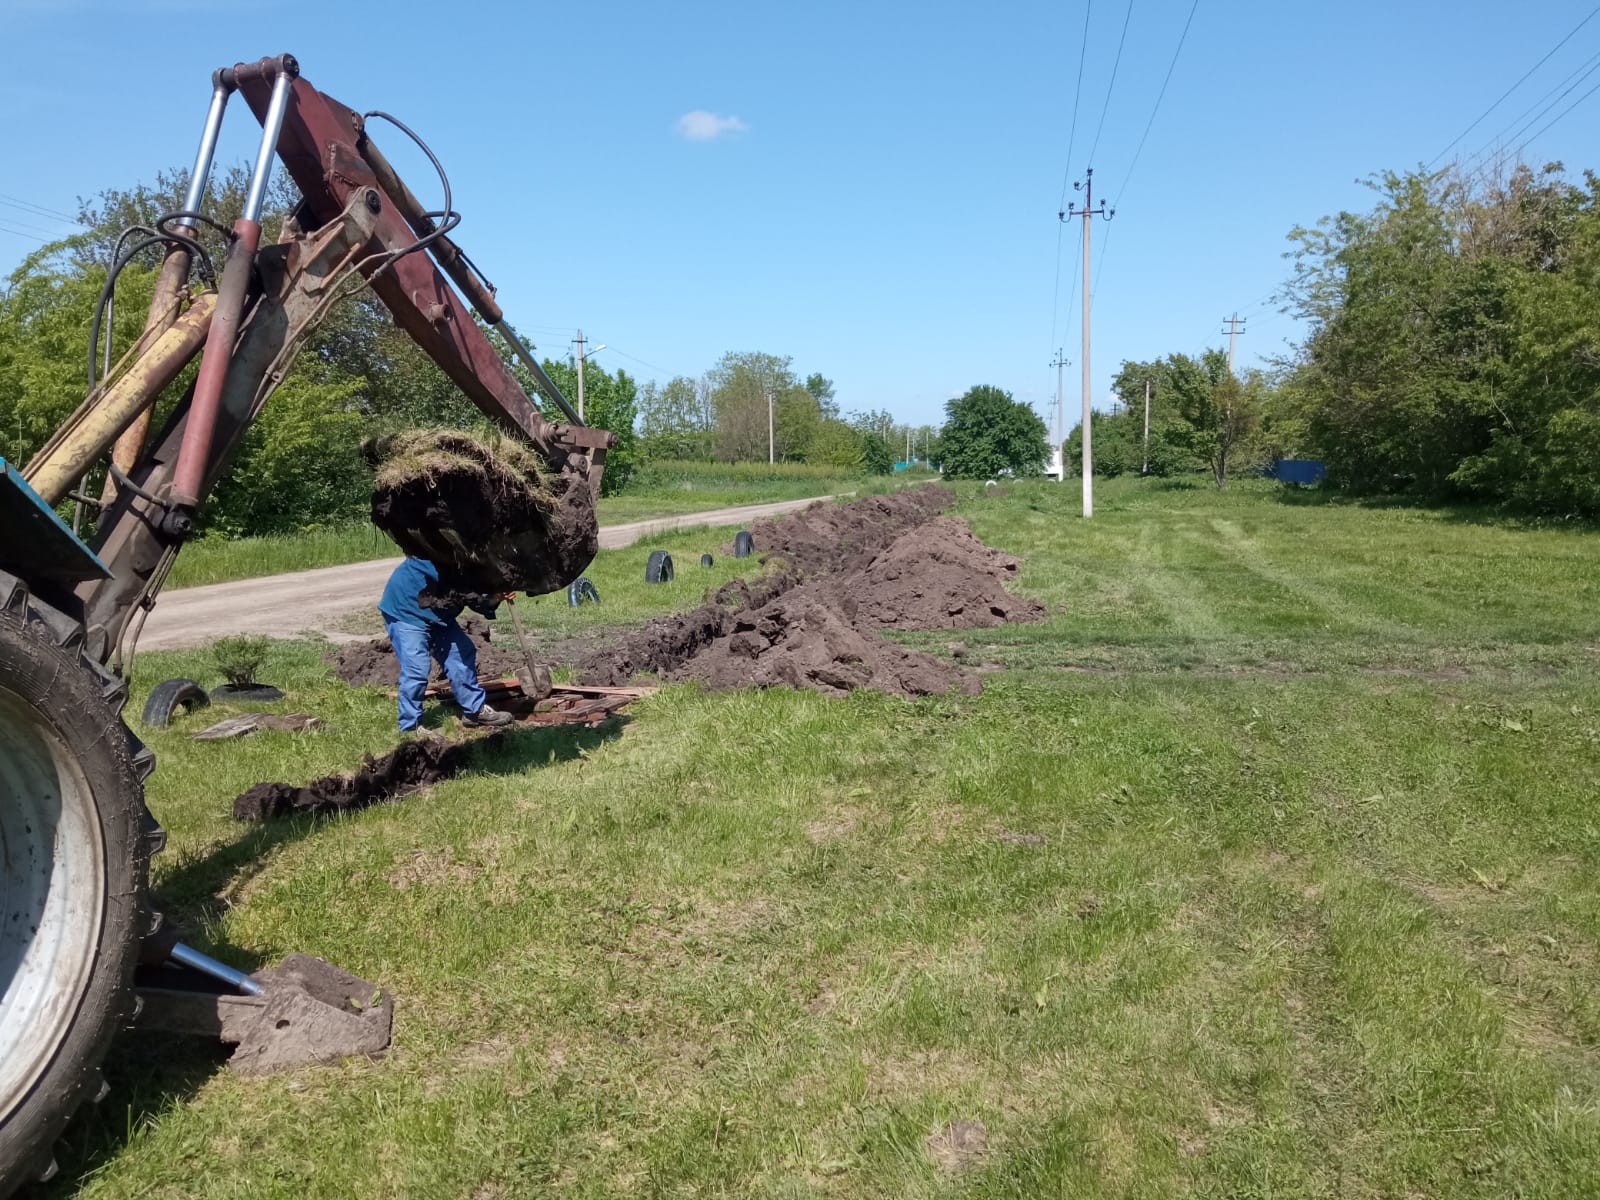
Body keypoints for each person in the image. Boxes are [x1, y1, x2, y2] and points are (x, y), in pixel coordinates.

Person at [379, 556, 514, 732]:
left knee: (461, 653)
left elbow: (476, 597)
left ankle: (474, 711)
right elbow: (469, 591)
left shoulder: (472, 559)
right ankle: (410, 727)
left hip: (439, 612)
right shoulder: (441, 551)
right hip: (407, 609)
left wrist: (495, 597)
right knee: (416, 669)